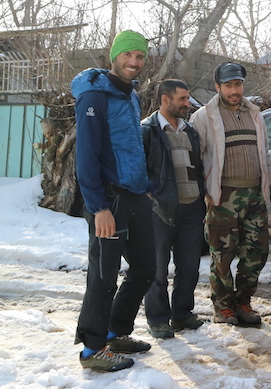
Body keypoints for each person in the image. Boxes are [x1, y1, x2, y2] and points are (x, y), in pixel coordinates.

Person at [72, 30, 156, 372]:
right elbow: (87, 156)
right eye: (128, 55)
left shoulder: (130, 95)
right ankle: (92, 350)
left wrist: (145, 185)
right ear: (114, 56)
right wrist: (99, 207)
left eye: (140, 57)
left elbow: (130, 146)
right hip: (107, 197)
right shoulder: (95, 96)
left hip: (135, 194)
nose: (134, 62)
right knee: (104, 276)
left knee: (146, 268)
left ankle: (115, 331)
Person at [190, 62, 271, 326]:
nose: (235, 90)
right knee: (222, 254)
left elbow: (264, 155)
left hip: (254, 195)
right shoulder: (204, 116)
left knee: (255, 253)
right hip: (222, 198)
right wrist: (204, 194)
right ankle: (222, 308)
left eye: (238, 84)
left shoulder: (254, 114)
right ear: (218, 87)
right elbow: (195, 159)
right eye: (229, 85)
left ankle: (243, 303)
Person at [141, 80, 206, 339]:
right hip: (160, 210)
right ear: (165, 100)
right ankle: (158, 320)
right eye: (182, 99)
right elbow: (139, 169)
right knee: (157, 270)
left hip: (192, 209)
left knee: (189, 268)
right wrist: (150, 198)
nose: (187, 104)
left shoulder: (190, 131)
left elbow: (197, 167)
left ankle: (182, 314)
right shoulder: (147, 131)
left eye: (188, 98)